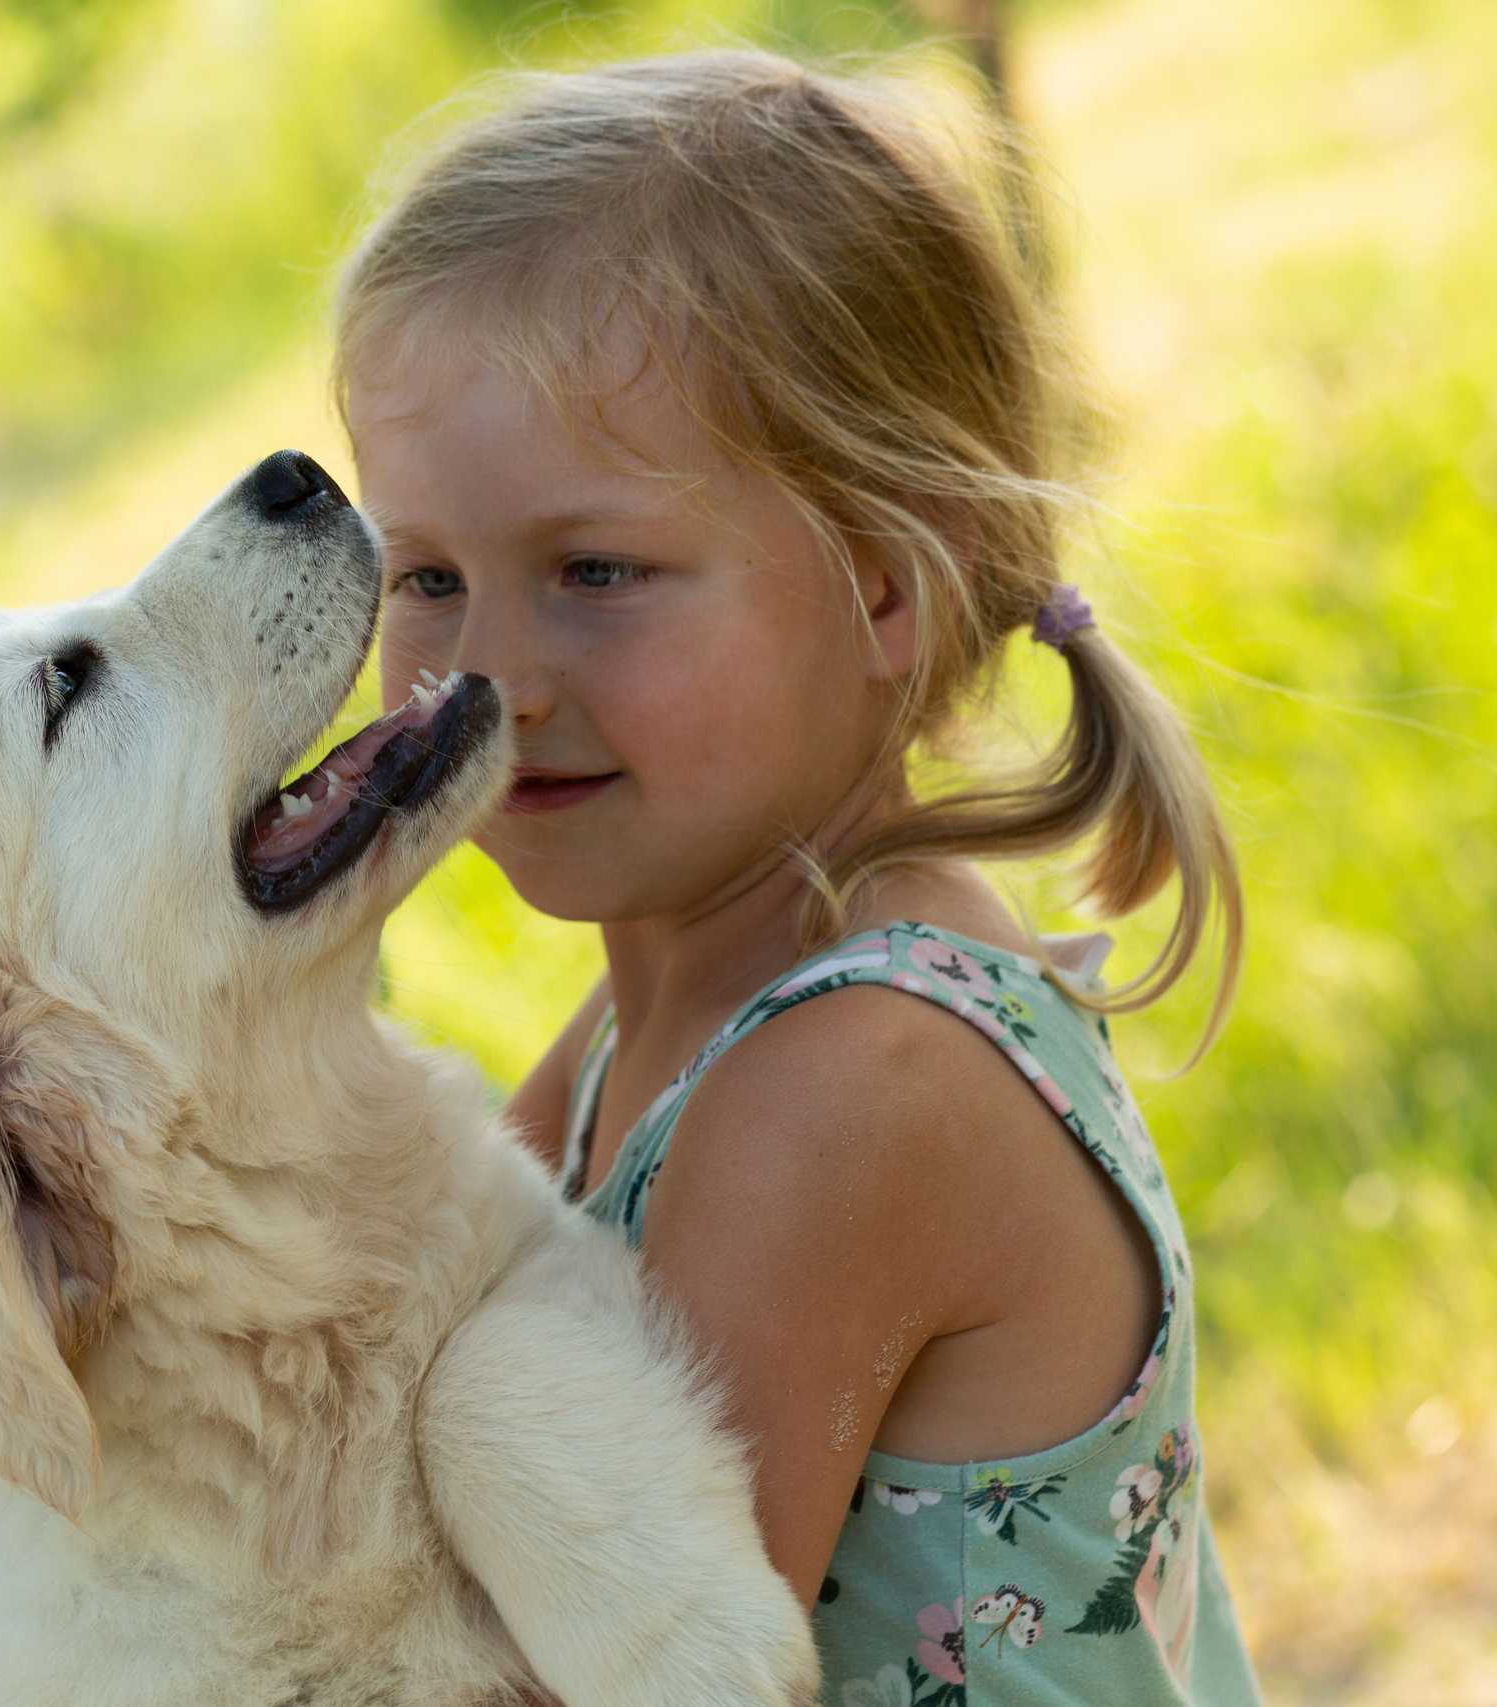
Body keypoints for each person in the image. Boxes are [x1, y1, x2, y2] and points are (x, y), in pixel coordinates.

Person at [333, 50, 1261, 1705]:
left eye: (596, 571)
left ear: (887, 588)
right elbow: (378, 1353)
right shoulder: (670, 1015)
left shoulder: (845, 1083)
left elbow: (585, 1675)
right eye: (425, 576)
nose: (491, 679)